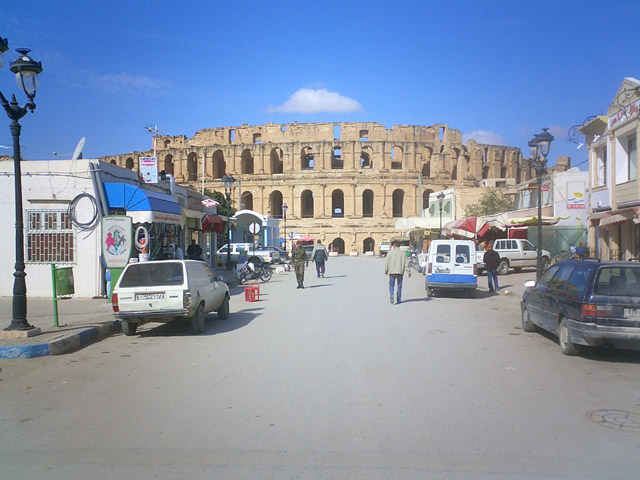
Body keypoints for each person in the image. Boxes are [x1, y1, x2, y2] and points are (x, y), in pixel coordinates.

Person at [385, 240, 411, 304]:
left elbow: (387, 263)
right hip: (400, 272)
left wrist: (386, 270)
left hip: (392, 272)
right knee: (399, 286)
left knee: (391, 285)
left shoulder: (390, 253)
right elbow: (406, 264)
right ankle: (398, 299)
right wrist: (408, 272)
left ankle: (391, 294)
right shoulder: (403, 254)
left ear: (394, 246)